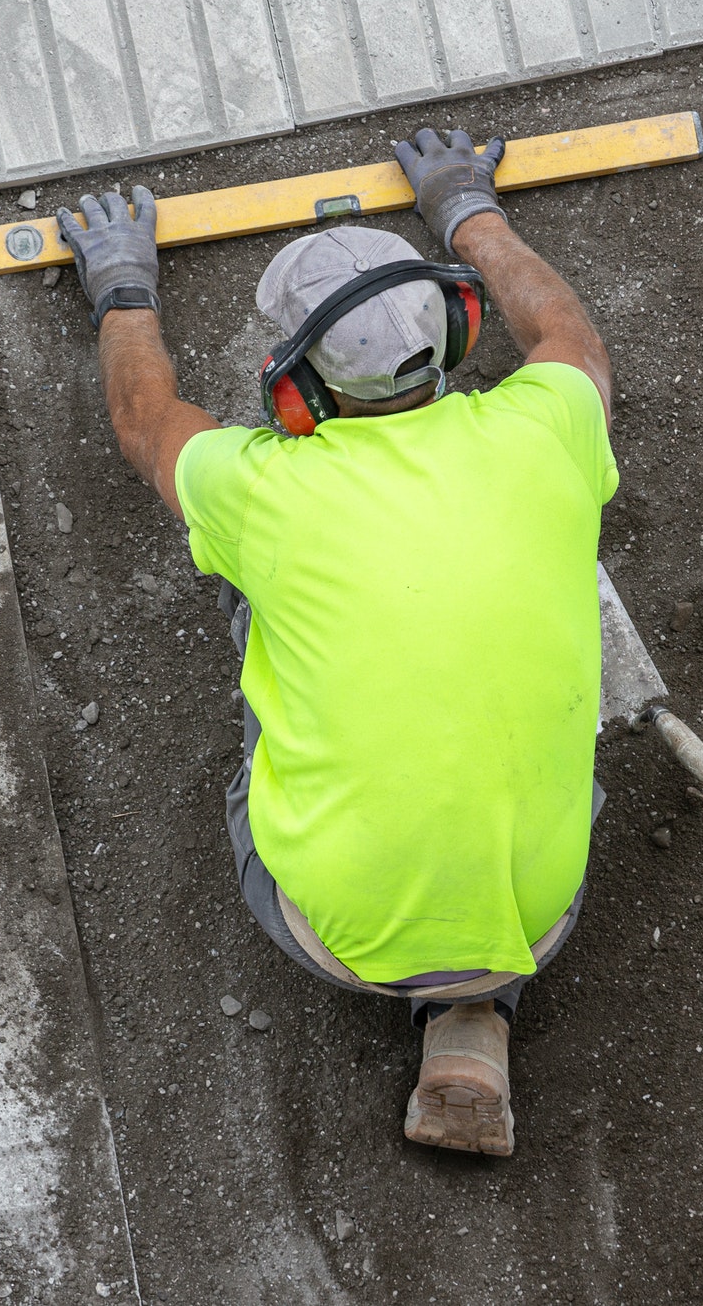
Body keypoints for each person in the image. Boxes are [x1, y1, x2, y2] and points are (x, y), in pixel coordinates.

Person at [55, 128, 616, 1156]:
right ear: (452, 325)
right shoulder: (553, 423)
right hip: (541, 914)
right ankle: (469, 1015)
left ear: (296, 394)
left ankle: (435, 991)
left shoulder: (260, 488)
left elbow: (145, 422)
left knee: (244, 583)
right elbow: (567, 335)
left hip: (329, 930)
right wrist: (462, 205)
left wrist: (121, 284)